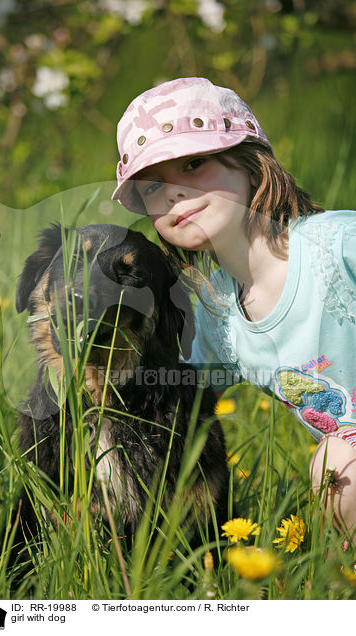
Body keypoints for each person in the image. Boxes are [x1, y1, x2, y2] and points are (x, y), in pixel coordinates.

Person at [111, 76, 356, 545]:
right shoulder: (218, 314)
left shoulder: (337, 244)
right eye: (151, 187)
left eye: (194, 163)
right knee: (336, 470)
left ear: (250, 161)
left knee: (336, 464)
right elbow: (184, 398)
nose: (173, 193)